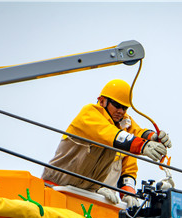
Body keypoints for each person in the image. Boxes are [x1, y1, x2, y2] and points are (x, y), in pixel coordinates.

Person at [42, 79, 172, 207]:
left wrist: (152, 137)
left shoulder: (123, 125)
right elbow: (112, 135)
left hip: (87, 196)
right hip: (55, 187)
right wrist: (143, 145)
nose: (121, 111)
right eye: (116, 105)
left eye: (124, 108)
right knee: (122, 143)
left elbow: (134, 140)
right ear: (103, 101)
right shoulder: (89, 114)